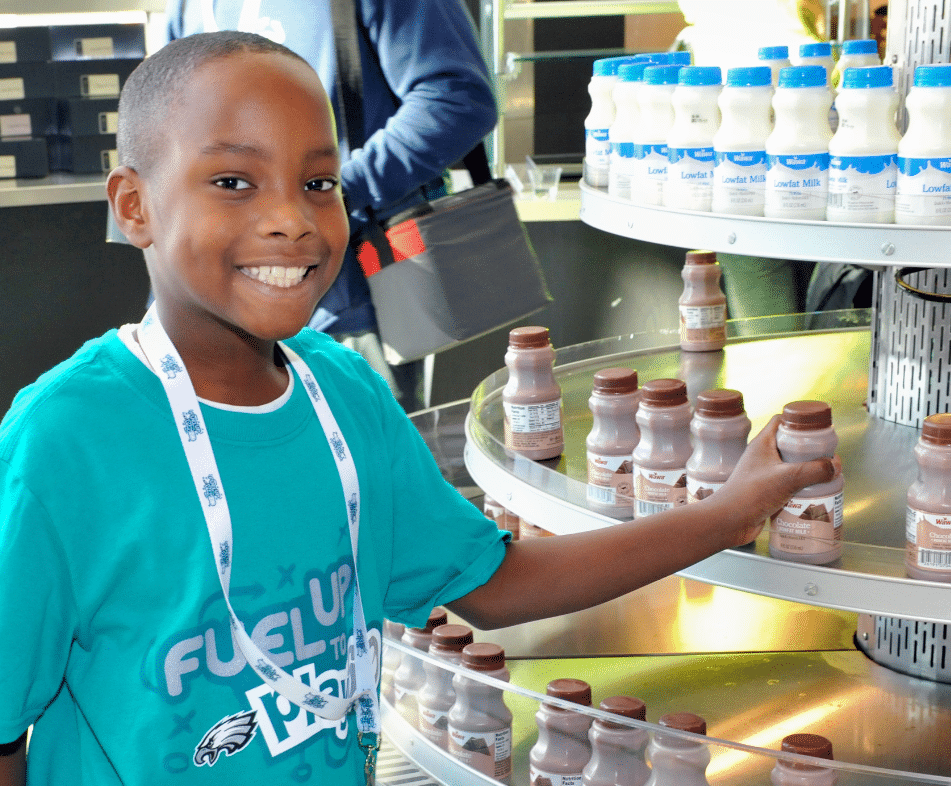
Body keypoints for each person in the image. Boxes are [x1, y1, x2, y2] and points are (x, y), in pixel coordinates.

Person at [0, 33, 835, 785]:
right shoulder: (66, 443)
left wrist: (725, 516)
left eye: (318, 181)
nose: (291, 219)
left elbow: (493, 584)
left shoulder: (343, 390)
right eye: (232, 181)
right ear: (133, 205)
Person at [165, 0, 499, 413]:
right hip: (222, 308)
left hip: (357, 290)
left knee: (364, 463)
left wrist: (328, 196)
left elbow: (458, 100)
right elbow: (172, 128)